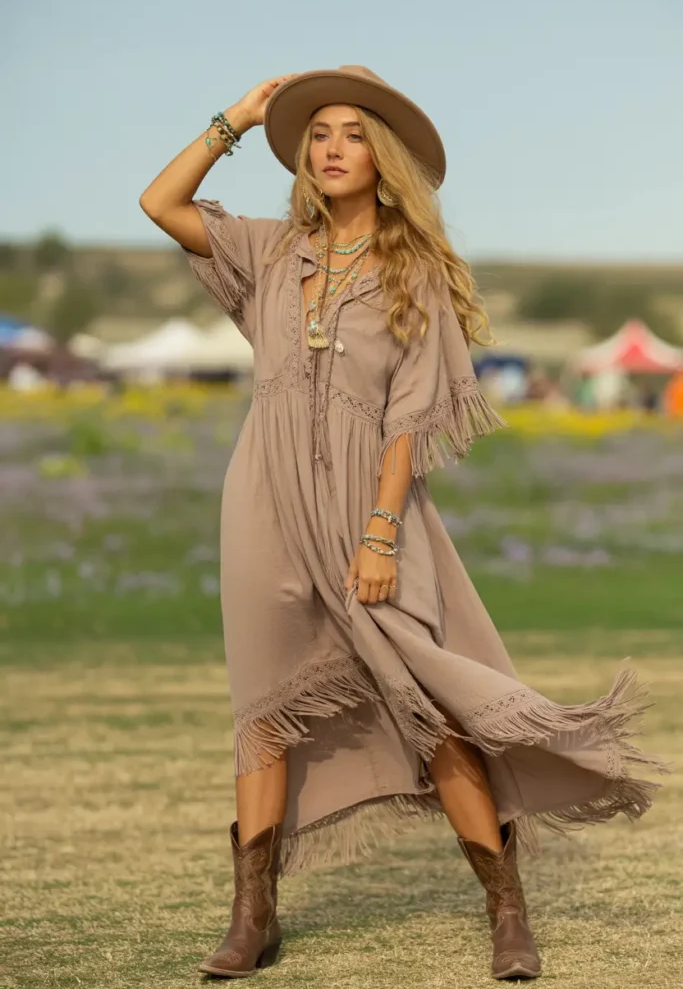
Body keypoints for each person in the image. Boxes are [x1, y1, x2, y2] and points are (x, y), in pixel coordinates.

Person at [139, 66, 666, 982]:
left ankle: (506, 910)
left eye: (352, 134)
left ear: (381, 157)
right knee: (264, 711)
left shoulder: (410, 269)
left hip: (366, 511)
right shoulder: (269, 249)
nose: (331, 148)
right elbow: (160, 202)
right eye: (318, 134)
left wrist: (380, 533)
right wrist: (242, 117)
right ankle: (252, 916)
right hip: (262, 502)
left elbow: (409, 419)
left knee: (425, 701)